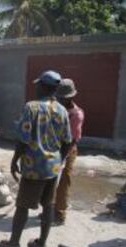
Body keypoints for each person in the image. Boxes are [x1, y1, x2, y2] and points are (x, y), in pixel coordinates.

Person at [0, 71, 72, 247]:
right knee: (48, 206)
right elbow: (68, 141)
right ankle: (41, 245)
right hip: (53, 167)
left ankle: (13, 244)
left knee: (22, 206)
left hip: (34, 167)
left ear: (44, 86)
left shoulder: (31, 107)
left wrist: (14, 160)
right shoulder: (62, 110)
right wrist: (58, 160)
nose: (35, 87)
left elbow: (23, 139)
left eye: (38, 84)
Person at [54, 79, 84, 225]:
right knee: (51, 181)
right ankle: (50, 209)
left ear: (71, 97)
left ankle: (60, 213)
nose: (60, 100)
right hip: (54, 148)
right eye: (59, 97)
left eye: (63, 98)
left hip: (67, 150)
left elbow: (71, 140)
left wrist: (61, 159)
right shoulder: (57, 108)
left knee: (64, 181)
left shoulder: (76, 114)